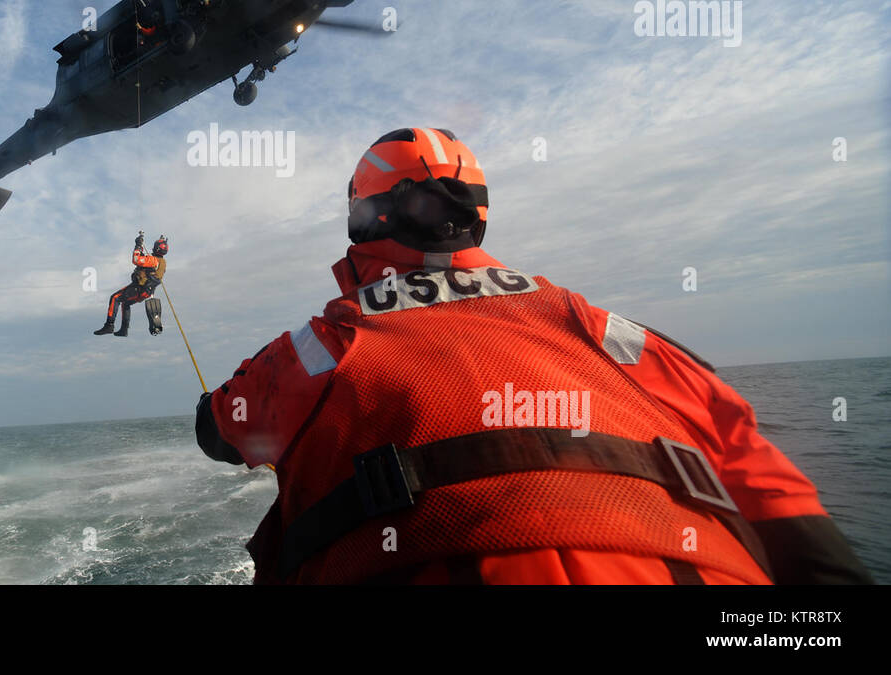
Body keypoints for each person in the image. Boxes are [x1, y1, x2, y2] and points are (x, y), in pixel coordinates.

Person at [195, 127, 873, 585]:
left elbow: (219, 430)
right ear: (478, 215)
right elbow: (773, 493)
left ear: (364, 217)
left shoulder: (327, 344)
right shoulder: (602, 327)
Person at [95, 233, 168, 337]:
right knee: (125, 303)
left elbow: (136, 260)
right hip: (146, 291)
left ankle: (109, 325)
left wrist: (138, 246)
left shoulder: (153, 260)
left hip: (139, 289)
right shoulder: (162, 262)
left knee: (115, 298)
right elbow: (145, 264)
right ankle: (124, 330)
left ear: (156, 248)